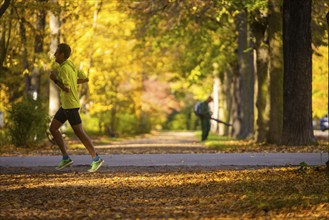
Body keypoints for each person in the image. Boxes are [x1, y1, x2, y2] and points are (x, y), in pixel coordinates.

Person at [49, 43, 104, 172]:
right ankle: (66, 158)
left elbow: (66, 88)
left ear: (62, 55)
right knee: (53, 128)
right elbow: (85, 78)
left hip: (70, 106)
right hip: (66, 106)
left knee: (80, 133)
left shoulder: (63, 69)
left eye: (56, 53)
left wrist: (55, 80)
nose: (54, 55)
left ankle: (96, 158)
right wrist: (73, 82)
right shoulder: (71, 64)